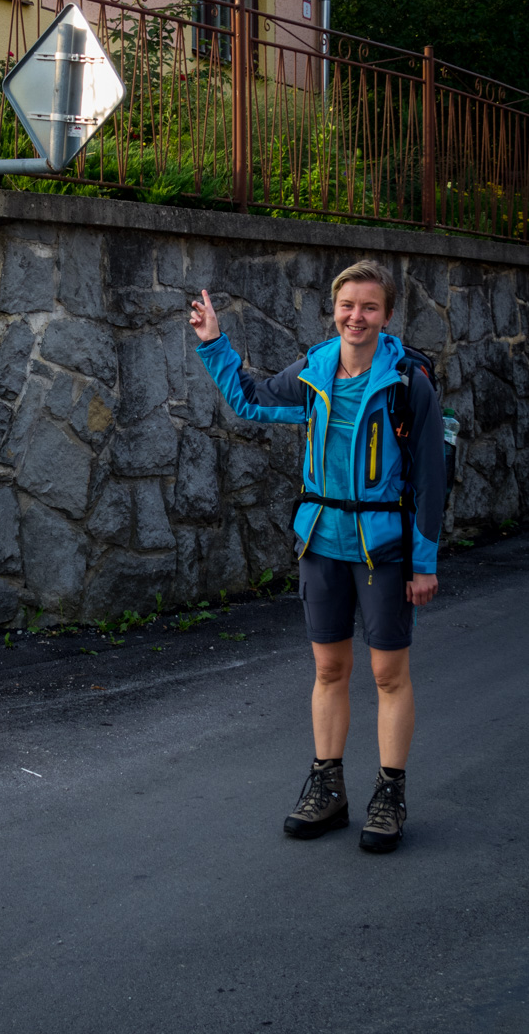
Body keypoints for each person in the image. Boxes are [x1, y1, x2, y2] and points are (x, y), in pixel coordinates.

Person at [189, 259, 446, 854]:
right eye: (347, 305)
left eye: (370, 307)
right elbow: (252, 401)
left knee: (388, 675)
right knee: (329, 670)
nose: (357, 316)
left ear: (387, 314)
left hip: (383, 548)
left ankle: (390, 795)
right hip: (320, 543)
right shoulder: (314, 370)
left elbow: (431, 480)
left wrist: (425, 563)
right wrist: (214, 344)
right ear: (333, 309)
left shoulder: (409, 384)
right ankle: (328, 790)